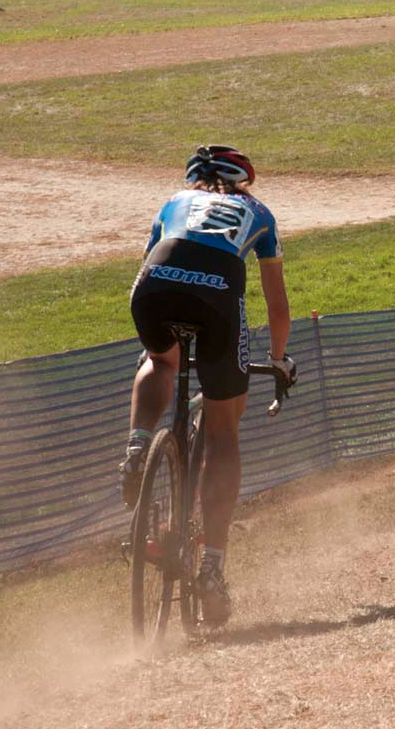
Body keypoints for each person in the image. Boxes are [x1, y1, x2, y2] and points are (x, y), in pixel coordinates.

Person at [123, 145, 296, 627]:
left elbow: (148, 262)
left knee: (161, 362)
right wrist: (279, 361)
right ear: (241, 183)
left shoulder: (173, 203)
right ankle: (212, 570)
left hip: (154, 284)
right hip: (218, 294)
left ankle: (137, 447)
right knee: (223, 430)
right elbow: (277, 304)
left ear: (195, 179)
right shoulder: (258, 212)